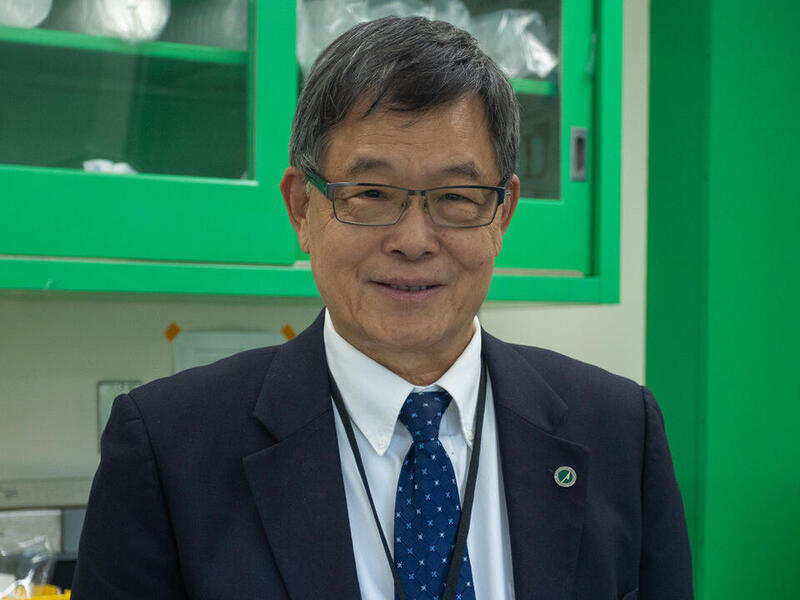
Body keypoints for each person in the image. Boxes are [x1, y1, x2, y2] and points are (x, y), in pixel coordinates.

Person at [72, 16, 693, 600]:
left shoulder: (618, 430)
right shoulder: (168, 449)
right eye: (370, 193)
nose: (415, 240)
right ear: (302, 209)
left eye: (456, 196)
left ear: (502, 214)